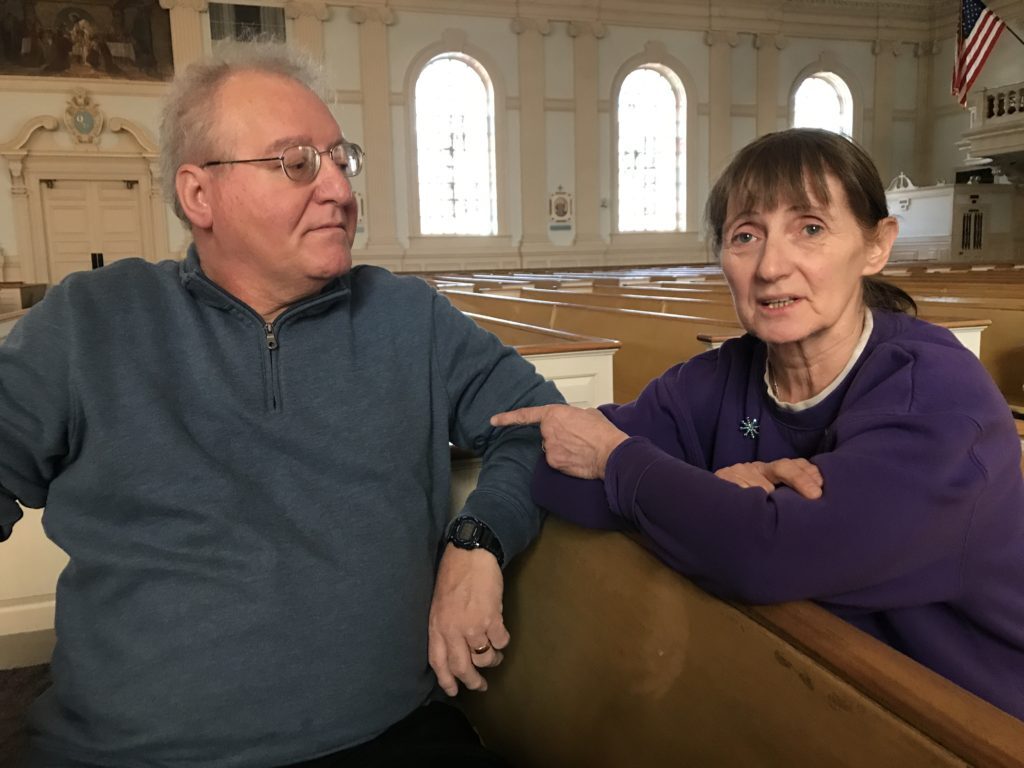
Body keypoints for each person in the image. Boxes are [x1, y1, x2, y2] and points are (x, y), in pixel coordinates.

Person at [0, 45, 561, 766]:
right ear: (200, 195)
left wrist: (478, 539)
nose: (337, 189)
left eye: (339, 158)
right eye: (297, 162)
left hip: (384, 736)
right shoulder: (93, 323)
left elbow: (542, 426)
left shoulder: (406, 317)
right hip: (132, 752)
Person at [492, 128, 1024, 721]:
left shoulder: (941, 398)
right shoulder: (717, 378)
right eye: (746, 235)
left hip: (975, 721)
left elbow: (767, 555)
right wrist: (717, 494)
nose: (772, 266)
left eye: (811, 229)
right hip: (817, 699)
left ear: (877, 245)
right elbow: (554, 467)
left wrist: (623, 465)